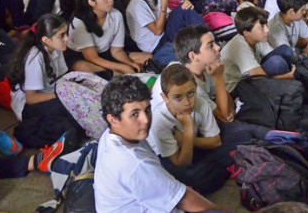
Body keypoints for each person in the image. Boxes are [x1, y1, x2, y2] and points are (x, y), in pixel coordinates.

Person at [95, 76, 221, 213]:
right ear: (113, 119)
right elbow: (185, 200)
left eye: (147, 110)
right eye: (135, 114)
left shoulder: (110, 135)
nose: (145, 120)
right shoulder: (134, 163)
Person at [147, 64, 233, 194]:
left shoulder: (201, 103)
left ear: (196, 88)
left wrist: (188, 139)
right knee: (195, 178)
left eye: (191, 94)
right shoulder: (159, 120)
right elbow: (181, 162)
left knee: (236, 136)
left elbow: (216, 141)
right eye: (178, 98)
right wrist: (188, 128)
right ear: (165, 97)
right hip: (166, 157)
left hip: (191, 144)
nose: (187, 102)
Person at [7, 14, 86, 149]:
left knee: (78, 100)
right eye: (61, 36)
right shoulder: (35, 57)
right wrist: (61, 95)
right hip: (28, 106)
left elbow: (62, 76)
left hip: (49, 93)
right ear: (46, 40)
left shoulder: (56, 48)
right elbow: (30, 98)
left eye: (65, 34)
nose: (66, 39)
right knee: (65, 110)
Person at [121, 0, 203, 67]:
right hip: (156, 45)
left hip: (164, 33)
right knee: (184, 58)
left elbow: (168, 17)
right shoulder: (136, 4)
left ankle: (206, 39)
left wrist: (183, 5)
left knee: (185, 9)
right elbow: (157, 31)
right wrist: (164, 5)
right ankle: (203, 44)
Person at [66, 0, 148, 76]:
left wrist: (130, 63)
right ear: (92, 2)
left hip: (106, 53)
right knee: (102, 73)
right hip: (83, 57)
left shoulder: (116, 15)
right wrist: (122, 67)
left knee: (147, 58)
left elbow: (117, 51)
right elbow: (92, 58)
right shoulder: (79, 22)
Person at [221, 6, 296, 92]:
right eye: (261, 27)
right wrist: (289, 76)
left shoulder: (257, 37)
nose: (267, 30)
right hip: (237, 87)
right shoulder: (239, 45)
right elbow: (260, 79)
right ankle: (288, 91)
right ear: (246, 32)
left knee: (285, 50)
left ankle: (290, 84)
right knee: (277, 62)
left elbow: (273, 55)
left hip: (252, 76)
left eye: (266, 24)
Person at [172, 25, 233, 123]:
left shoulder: (206, 67)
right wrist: (219, 77)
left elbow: (225, 96)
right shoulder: (187, 83)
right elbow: (223, 117)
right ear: (193, 56)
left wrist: (231, 112)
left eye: (215, 43)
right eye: (210, 45)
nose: (218, 47)